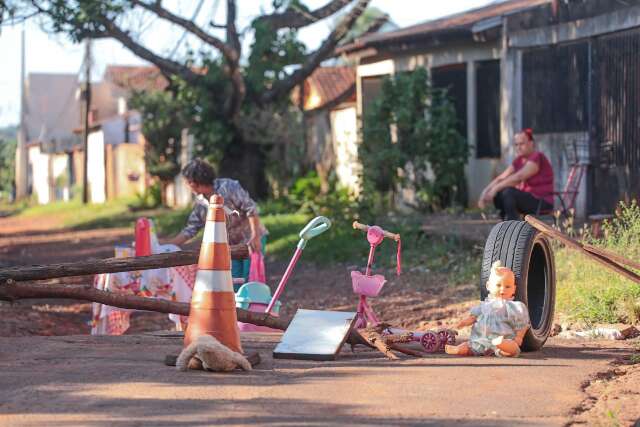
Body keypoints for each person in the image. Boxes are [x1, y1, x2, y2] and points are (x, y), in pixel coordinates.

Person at [167, 158, 266, 281]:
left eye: (186, 183)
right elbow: (190, 230)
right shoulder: (200, 204)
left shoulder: (229, 187)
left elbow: (251, 209)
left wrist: (255, 236)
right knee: (233, 282)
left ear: (192, 183)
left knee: (251, 280)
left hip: (250, 239)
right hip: (230, 247)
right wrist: (166, 245)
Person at [444, 261, 530, 357]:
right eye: (498, 285)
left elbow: (522, 325)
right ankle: (458, 349)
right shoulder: (483, 306)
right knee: (469, 346)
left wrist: (519, 337)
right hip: (481, 341)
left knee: (512, 349)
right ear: (488, 286)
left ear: (514, 289)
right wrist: (462, 323)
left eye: (507, 286)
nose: (503, 289)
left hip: (503, 338)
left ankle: (501, 344)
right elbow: (473, 318)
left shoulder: (513, 307)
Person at [478, 129, 554, 221]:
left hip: (541, 201)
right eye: (516, 144)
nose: (518, 147)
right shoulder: (519, 160)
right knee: (499, 194)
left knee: (508, 192)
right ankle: (505, 223)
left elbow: (519, 177)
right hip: (526, 199)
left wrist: (495, 189)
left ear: (531, 143)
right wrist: (485, 192)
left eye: (522, 144)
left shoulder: (537, 157)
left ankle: (513, 223)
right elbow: (501, 177)